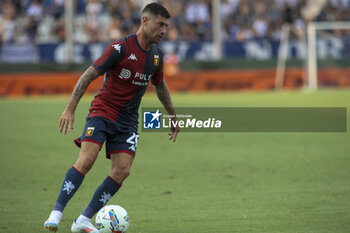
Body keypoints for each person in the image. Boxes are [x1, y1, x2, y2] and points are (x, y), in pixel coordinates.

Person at [43, 3, 180, 233]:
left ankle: (83, 221)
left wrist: (173, 116)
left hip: (127, 122)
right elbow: (89, 75)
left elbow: (160, 85)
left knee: (122, 171)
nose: (164, 30)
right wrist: (70, 108)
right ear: (145, 21)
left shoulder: (156, 56)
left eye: (166, 26)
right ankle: (56, 213)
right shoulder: (120, 48)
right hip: (103, 112)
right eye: (160, 24)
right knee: (86, 160)